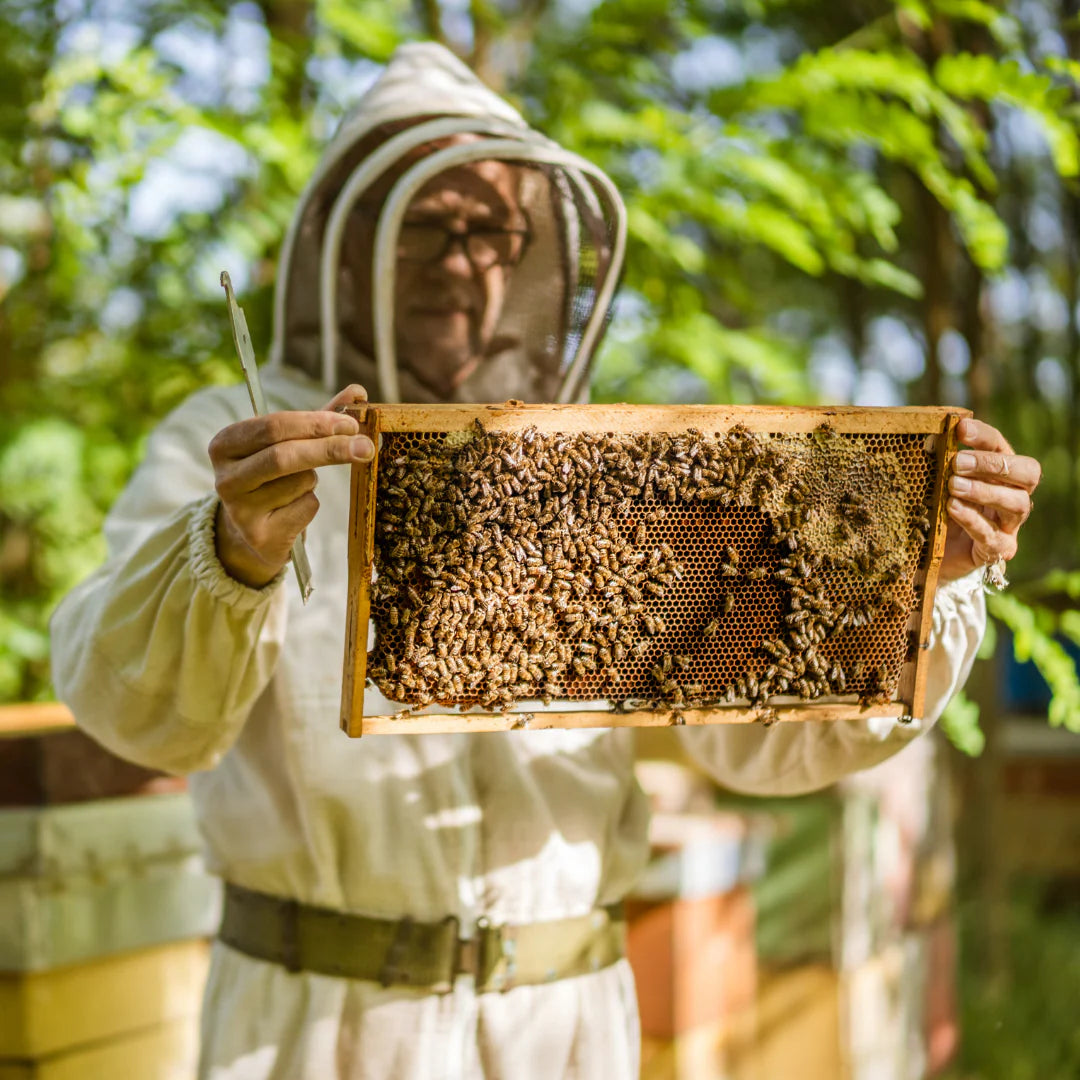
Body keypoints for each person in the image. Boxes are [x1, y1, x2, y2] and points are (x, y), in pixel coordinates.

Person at [50, 43, 1040, 1080]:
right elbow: (133, 708)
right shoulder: (238, 433)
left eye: (495, 233)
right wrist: (232, 549)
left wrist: (915, 583)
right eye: (428, 225)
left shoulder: (611, 465)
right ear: (348, 247)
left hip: (564, 1031)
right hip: (312, 1031)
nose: (462, 258)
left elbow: (763, 742)